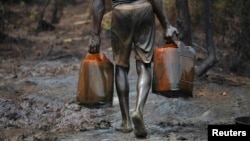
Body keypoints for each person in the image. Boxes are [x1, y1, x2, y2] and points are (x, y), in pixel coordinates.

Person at [88, 0, 178, 138]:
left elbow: (98, 3)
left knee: (121, 66)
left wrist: (95, 34)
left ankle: (126, 122)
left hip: (120, 13)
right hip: (144, 10)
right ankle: (138, 110)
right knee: (144, 64)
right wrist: (166, 25)